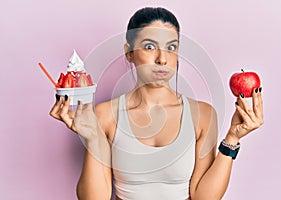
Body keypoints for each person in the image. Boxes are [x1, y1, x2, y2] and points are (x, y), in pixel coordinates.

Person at [50, 7, 264, 200]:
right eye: (150, 46)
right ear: (129, 52)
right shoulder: (105, 114)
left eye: (171, 47)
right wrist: (92, 139)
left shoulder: (203, 114)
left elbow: (204, 197)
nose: (162, 58)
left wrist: (232, 138)